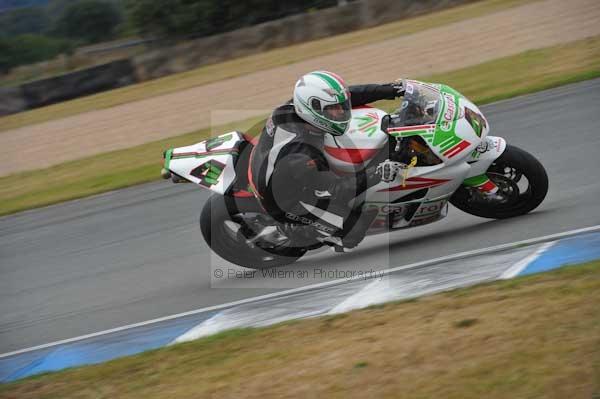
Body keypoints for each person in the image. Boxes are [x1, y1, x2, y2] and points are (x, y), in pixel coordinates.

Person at [248, 70, 405, 252]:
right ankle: (291, 229)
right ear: (314, 109)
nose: (341, 112)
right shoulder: (303, 155)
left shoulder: (297, 106)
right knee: (353, 231)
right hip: (286, 199)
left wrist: (390, 90)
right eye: (334, 109)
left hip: (274, 165)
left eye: (341, 106)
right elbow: (337, 189)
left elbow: (352, 94)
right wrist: (377, 173)